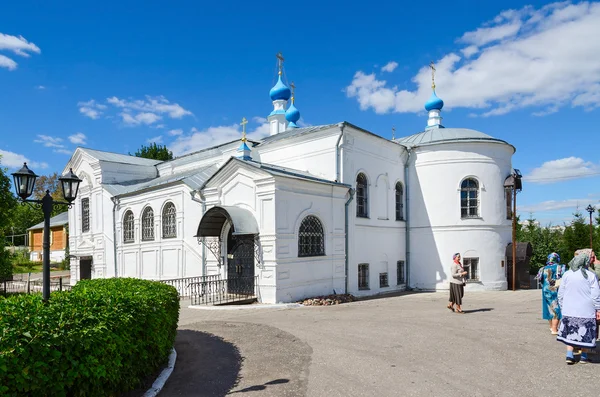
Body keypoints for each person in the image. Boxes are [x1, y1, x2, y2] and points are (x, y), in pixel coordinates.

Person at [557, 249, 600, 364]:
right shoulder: (590, 275)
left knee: (571, 331)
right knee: (585, 331)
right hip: (586, 309)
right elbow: (595, 294)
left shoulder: (567, 274)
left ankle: (569, 355)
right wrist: (598, 308)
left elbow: (561, 293)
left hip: (569, 309)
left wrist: (562, 306)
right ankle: (584, 355)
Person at [535, 253, 562, 334]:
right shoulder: (559, 267)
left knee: (549, 308)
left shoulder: (542, 268)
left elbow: (540, 280)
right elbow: (562, 278)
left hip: (545, 290)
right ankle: (554, 329)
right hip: (554, 290)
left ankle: (551, 327)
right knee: (556, 309)